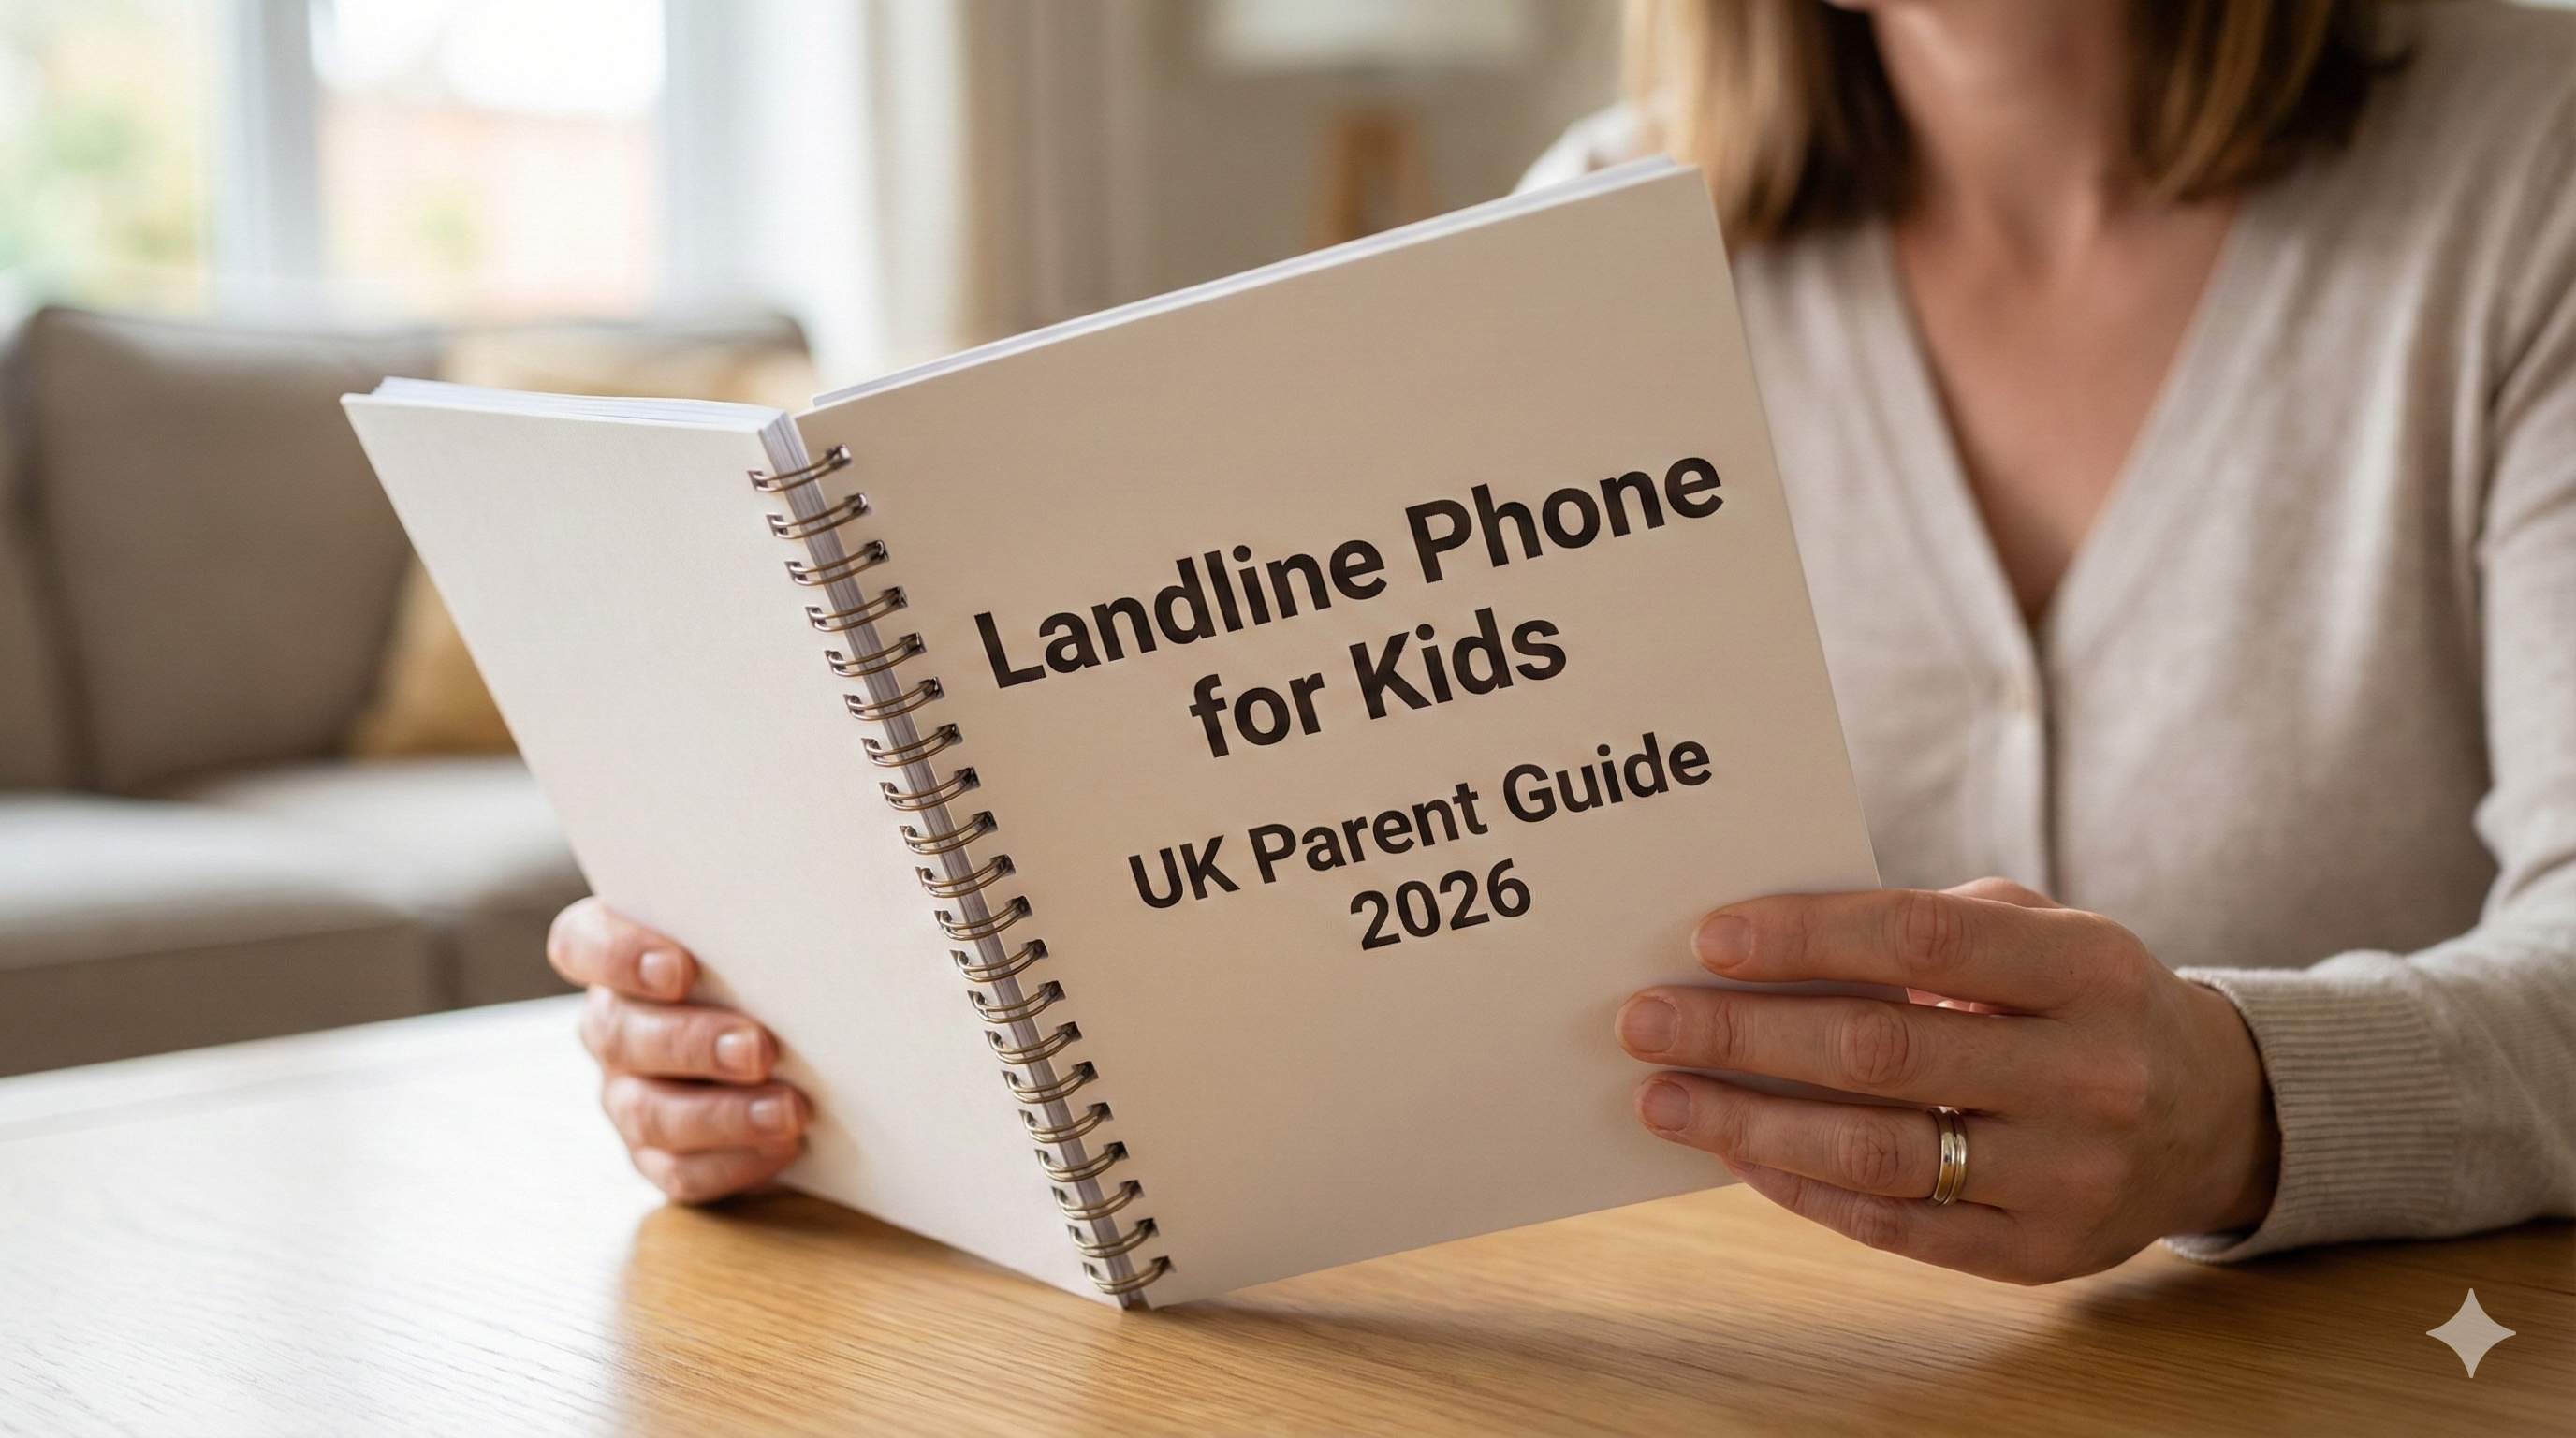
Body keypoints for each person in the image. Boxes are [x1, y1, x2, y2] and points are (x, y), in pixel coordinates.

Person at [548, 0, 2575, 1283]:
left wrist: (2237, 1102)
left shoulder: (2530, 161)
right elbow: (1320, 913)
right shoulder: (1599, 231)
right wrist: (818, 1059)